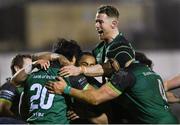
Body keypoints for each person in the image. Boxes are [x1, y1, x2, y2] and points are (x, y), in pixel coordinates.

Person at [46, 50, 178, 123]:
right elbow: (163, 95)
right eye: (85, 64)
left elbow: (96, 99)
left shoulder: (125, 77)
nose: (90, 69)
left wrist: (66, 90)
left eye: (93, 65)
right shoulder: (150, 76)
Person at [10, 38, 97, 124]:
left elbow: (22, 111)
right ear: (74, 58)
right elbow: (95, 97)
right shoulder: (70, 75)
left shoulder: (32, 76)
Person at [60, 5, 135, 82]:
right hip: (106, 92)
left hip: (122, 93)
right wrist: (51, 56)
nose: (96, 25)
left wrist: (81, 69)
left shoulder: (123, 48)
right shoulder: (99, 48)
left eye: (100, 22)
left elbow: (109, 68)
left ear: (114, 24)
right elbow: (82, 60)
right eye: (96, 21)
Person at [0, 54, 32, 124]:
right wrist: (21, 121)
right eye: (29, 67)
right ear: (17, 68)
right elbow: (2, 109)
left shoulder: (28, 86)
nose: (31, 70)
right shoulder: (9, 86)